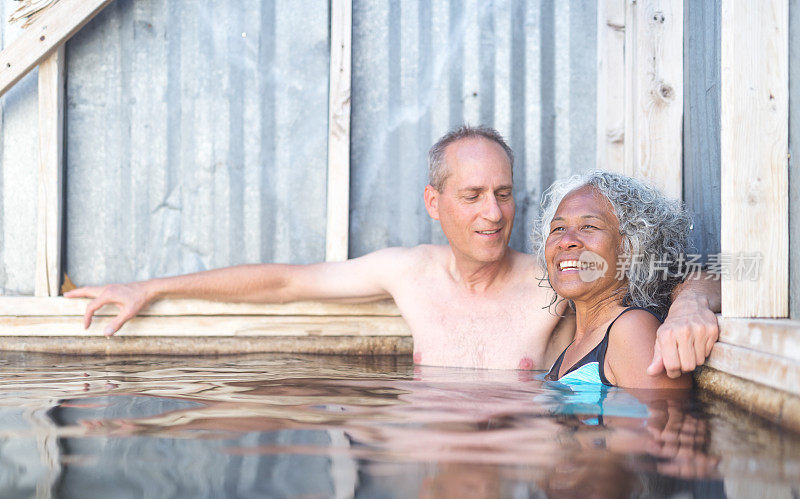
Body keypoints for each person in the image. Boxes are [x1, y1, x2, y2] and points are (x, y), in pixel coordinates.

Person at [65, 126, 718, 374]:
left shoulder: (550, 278)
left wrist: (690, 306)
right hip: (420, 457)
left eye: (504, 193)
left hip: (521, 458)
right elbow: (286, 283)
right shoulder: (408, 272)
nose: (493, 213)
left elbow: (672, 269)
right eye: (471, 195)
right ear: (435, 203)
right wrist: (152, 288)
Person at [535, 170, 695, 388]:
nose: (566, 241)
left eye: (588, 226)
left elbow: (665, 420)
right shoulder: (578, 342)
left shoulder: (632, 330)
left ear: (631, 247)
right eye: (558, 228)